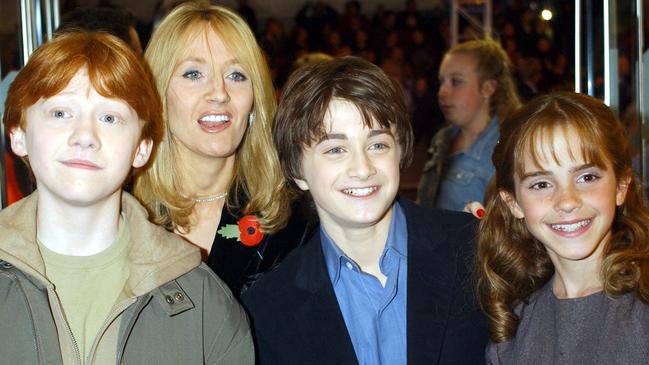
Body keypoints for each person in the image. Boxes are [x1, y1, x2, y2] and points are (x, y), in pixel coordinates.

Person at [0, 32, 253, 364]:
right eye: (61, 113)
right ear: (18, 135)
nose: (85, 137)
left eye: (109, 117)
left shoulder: (204, 303)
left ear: (141, 148)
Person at [241, 56, 488, 364]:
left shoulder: (475, 247)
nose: (362, 168)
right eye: (335, 150)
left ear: (399, 150)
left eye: (377, 145)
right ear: (296, 170)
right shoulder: (268, 306)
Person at [134, 1, 314, 297]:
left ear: (254, 100)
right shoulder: (120, 216)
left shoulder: (296, 221)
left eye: (236, 76)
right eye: (193, 74)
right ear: (157, 94)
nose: (219, 93)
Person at [477, 92, 649, 363]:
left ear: (620, 186)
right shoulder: (512, 331)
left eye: (587, 177)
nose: (567, 201)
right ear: (513, 203)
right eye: (541, 184)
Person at [417, 38, 521, 211]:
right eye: (441, 81)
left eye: (456, 82)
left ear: (487, 88)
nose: (442, 92)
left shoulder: (507, 149)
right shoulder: (443, 138)